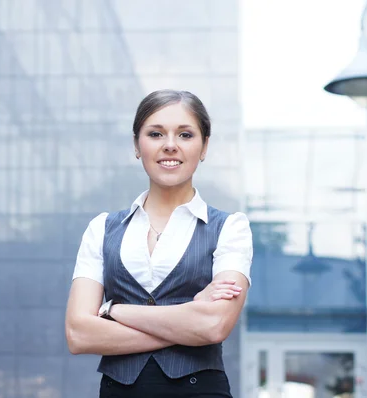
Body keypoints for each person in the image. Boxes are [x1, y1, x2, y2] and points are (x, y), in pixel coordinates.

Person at [65, 89, 253, 398]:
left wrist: (114, 311)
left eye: (185, 134)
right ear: (137, 145)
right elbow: (79, 334)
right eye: (155, 133)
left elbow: (214, 326)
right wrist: (190, 313)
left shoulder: (230, 228)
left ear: (204, 147)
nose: (170, 145)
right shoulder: (101, 229)